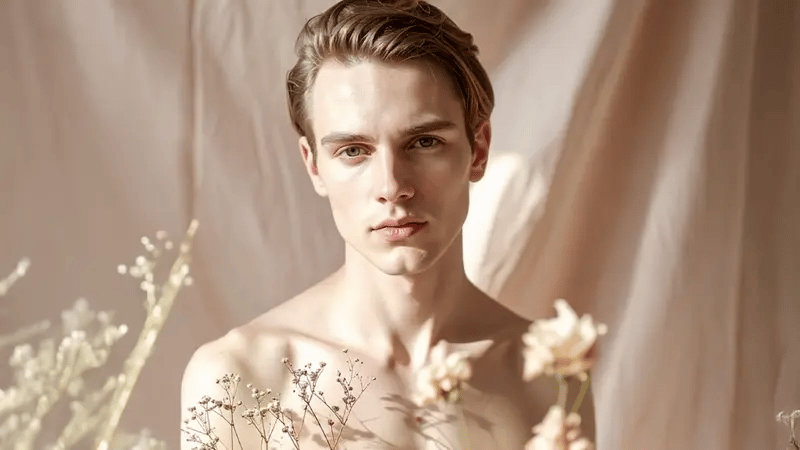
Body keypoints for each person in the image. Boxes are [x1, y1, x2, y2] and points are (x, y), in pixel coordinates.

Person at [181, 1, 589, 448]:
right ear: (313, 165)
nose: (393, 186)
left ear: (479, 149)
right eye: (354, 150)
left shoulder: (549, 374)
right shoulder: (240, 376)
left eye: (424, 142)